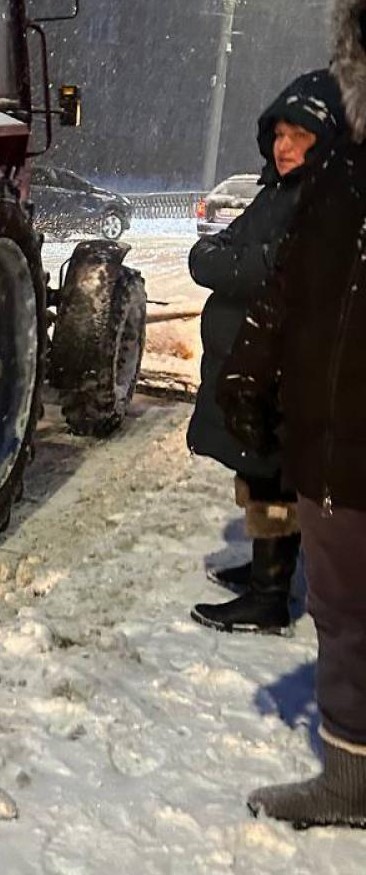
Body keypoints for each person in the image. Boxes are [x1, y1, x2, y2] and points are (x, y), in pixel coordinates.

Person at [219, 0, 366, 827]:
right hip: (330, 437)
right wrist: (249, 367)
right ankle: (352, 774)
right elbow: (286, 287)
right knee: (345, 610)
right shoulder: (339, 172)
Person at [188, 73, 344, 634]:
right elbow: (212, 253)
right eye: (277, 134)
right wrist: (228, 261)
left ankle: (270, 594)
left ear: (325, 139)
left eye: (296, 135)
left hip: (287, 369)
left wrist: (230, 263)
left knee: (273, 475)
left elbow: (264, 265)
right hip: (258, 365)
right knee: (262, 473)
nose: (283, 147)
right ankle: (266, 571)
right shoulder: (280, 193)